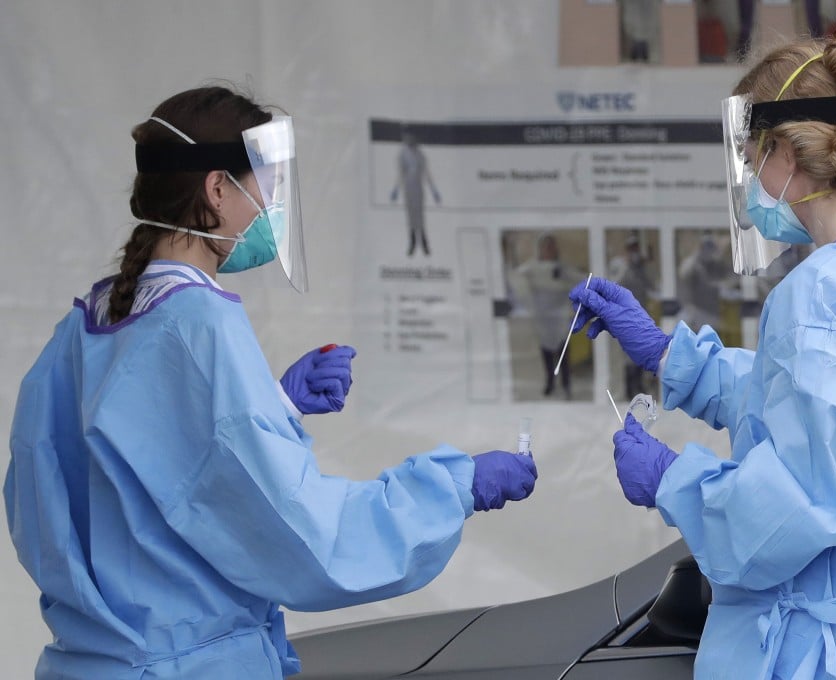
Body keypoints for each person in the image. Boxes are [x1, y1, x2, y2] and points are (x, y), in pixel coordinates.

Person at [4, 85, 537, 680]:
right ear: (215, 189)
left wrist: (272, 404)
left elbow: (84, 483)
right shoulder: (201, 323)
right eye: (263, 183)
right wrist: (455, 487)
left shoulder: (93, 318)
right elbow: (304, 536)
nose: (273, 203)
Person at [569, 20, 836, 679]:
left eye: (754, 156)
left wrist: (676, 481)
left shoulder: (820, 292)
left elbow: (800, 504)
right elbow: (821, 415)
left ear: (788, 150)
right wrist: (671, 356)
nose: (753, 176)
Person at [515, 232, 585, 399]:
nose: (549, 249)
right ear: (540, 249)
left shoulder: (562, 267)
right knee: (546, 350)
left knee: (563, 351)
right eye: (546, 246)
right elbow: (517, 278)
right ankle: (550, 383)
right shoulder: (531, 267)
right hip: (542, 316)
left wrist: (563, 283)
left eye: (552, 246)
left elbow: (580, 279)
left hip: (560, 315)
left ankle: (566, 384)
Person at [608, 233, 657, 398]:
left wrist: (647, 266)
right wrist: (627, 266)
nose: (634, 252)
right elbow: (614, 285)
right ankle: (629, 390)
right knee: (628, 355)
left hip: (641, 317)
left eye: (636, 248)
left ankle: (639, 386)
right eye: (631, 249)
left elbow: (652, 286)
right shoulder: (619, 265)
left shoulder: (640, 268)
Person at [390, 125, 441, 257]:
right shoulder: (402, 154)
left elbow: (427, 173)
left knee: (420, 216)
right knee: (411, 216)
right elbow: (401, 173)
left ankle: (424, 243)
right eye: (406, 136)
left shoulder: (420, 154)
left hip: (419, 188)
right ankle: (412, 242)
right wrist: (396, 189)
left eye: (411, 136)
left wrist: (434, 190)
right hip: (408, 188)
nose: (409, 139)